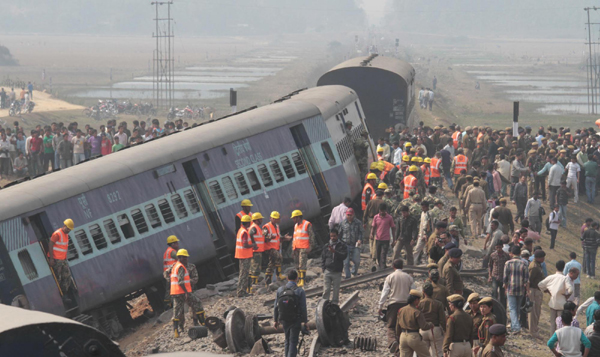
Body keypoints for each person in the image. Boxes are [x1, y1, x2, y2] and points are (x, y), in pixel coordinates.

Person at [168, 249, 206, 337]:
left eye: (186, 257)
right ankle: (203, 323)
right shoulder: (180, 267)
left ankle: (176, 331)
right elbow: (181, 282)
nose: (186, 259)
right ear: (179, 258)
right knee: (197, 303)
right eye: (184, 257)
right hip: (182, 291)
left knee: (177, 311)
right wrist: (185, 292)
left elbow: (194, 279)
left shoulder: (175, 266)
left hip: (175, 292)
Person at [378, 259, 413, 348]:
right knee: (404, 326)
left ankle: (393, 341)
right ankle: (404, 344)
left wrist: (380, 306)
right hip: (406, 304)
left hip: (393, 304)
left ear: (393, 267)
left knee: (391, 326)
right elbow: (413, 292)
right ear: (402, 266)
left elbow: (385, 292)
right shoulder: (408, 277)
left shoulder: (390, 277)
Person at [274, 270, 308, 357]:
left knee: (287, 340)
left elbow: (276, 306)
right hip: (295, 319)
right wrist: (305, 321)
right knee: (293, 341)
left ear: (287, 278)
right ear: (297, 278)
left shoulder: (280, 290)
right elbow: (303, 308)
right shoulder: (300, 291)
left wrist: (275, 320)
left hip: (284, 319)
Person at [538, 260, 574, 332]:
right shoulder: (565, 278)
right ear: (563, 268)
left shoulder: (551, 277)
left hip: (553, 303)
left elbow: (540, 285)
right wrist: (567, 295)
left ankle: (552, 339)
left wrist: (548, 291)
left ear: (556, 267)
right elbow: (571, 290)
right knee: (560, 324)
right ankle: (559, 340)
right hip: (561, 304)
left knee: (552, 324)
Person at [396, 289, 433, 357]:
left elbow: (397, 326)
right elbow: (424, 326)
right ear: (416, 300)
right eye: (419, 300)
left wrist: (398, 336)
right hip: (413, 336)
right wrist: (430, 324)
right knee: (425, 355)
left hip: (403, 336)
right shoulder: (416, 312)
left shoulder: (401, 310)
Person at [503, 245, 529, 335]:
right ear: (519, 253)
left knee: (512, 308)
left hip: (511, 288)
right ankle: (515, 325)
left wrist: (505, 289)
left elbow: (505, 279)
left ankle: (516, 327)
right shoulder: (524, 263)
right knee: (517, 308)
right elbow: (526, 280)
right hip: (521, 289)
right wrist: (528, 291)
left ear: (512, 253)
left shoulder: (508, 263)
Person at [47, 219, 75, 303]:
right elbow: (50, 244)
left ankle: (65, 294)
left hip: (62, 260)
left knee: (66, 277)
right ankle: (60, 296)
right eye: (67, 228)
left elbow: (63, 248)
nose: (68, 230)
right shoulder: (57, 234)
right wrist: (51, 259)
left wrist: (65, 258)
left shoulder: (66, 235)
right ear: (64, 226)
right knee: (58, 278)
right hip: (56, 260)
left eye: (70, 229)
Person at [286, 210, 314, 287]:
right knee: (297, 265)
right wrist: (293, 249)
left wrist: (310, 247)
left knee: (302, 265)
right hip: (296, 248)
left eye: (294, 218)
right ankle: (299, 279)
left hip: (304, 247)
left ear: (298, 217)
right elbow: (295, 238)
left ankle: (302, 280)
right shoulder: (295, 226)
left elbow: (311, 236)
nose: (293, 220)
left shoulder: (306, 224)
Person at [418, 281, 445, 357]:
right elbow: (442, 319)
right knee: (437, 353)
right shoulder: (438, 304)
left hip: (422, 330)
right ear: (432, 292)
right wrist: (444, 330)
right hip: (435, 329)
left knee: (423, 353)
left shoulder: (419, 303)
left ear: (423, 292)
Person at [321, 229, 347, 305]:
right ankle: (324, 304)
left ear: (337, 235)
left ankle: (334, 305)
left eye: (334, 236)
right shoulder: (326, 246)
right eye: (331, 236)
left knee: (336, 290)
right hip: (328, 271)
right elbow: (323, 257)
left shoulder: (342, 245)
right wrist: (323, 268)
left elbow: (344, 256)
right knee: (326, 289)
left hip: (337, 271)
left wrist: (335, 252)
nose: (332, 238)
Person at [235, 215, 257, 297]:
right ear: (248, 223)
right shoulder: (244, 232)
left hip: (241, 255)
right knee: (244, 274)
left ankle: (241, 291)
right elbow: (245, 244)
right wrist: (253, 245)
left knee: (242, 273)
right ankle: (241, 292)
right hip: (244, 256)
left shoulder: (241, 230)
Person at [338, 208, 363, 279]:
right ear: (346, 215)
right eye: (348, 215)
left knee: (357, 261)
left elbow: (361, 232)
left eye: (350, 215)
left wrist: (360, 239)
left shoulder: (358, 223)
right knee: (346, 263)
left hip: (355, 245)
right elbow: (339, 234)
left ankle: (354, 272)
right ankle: (348, 277)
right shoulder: (342, 223)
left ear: (353, 215)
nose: (349, 216)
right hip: (345, 245)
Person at [370, 203, 396, 270]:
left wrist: (394, 239)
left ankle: (382, 268)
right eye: (380, 211)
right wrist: (371, 234)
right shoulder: (376, 217)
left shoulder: (389, 218)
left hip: (386, 239)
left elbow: (393, 228)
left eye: (383, 211)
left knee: (383, 254)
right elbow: (373, 227)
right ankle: (381, 266)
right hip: (378, 238)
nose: (382, 212)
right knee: (378, 254)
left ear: (385, 210)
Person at [529, 249, 546, 339]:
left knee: (537, 311)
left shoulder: (538, 265)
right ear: (539, 258)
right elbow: (530, 279)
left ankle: (535, 329)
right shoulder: (534, 267)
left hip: (537, 290)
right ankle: (533, 331)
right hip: (534, 290)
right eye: (542, 257)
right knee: (533, 312)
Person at [263, 211, 284, 284]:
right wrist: (270, 237)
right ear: (270, 218)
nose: (275, 220)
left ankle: (268, 279)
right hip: (269, 248)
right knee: (279, 257)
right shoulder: (266, 227)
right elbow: (263, 238)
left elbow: (278, 236)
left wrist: (284, 238)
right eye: (274, 218)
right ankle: (279, 275)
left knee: (272, 264)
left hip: (275, 247)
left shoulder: (277, 226)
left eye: (277, 219)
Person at [488, 240, 509, 308]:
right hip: (495, 276)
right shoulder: (493, 255)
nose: (498, 249)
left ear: (502, 247)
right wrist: (490, 275)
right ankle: (493, 307)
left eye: (500, 247)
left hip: (503, 277)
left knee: (503, 295)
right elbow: (490, 266)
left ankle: (502, 310)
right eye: (497, 247)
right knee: (494, 292)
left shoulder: (506, 255)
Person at [248, 212, 266, 289]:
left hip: (258, 251)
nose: (262, 220)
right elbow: (250, 233)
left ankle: (253, 282)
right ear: (257, 220)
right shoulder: (254, 227)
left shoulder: (257, 227)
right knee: (255, 267)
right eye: (260, 219)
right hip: (256, 252)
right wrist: (254, 243)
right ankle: (254, 283)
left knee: (256, 267)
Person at [162, 235, 180, 308]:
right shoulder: (172, 252)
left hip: (169, 274)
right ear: (172, 244)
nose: (178, 244)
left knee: (169, 290)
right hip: (172, 274)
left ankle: (168, 305)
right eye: (176, 243)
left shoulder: (167, 251)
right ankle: (168, 305)